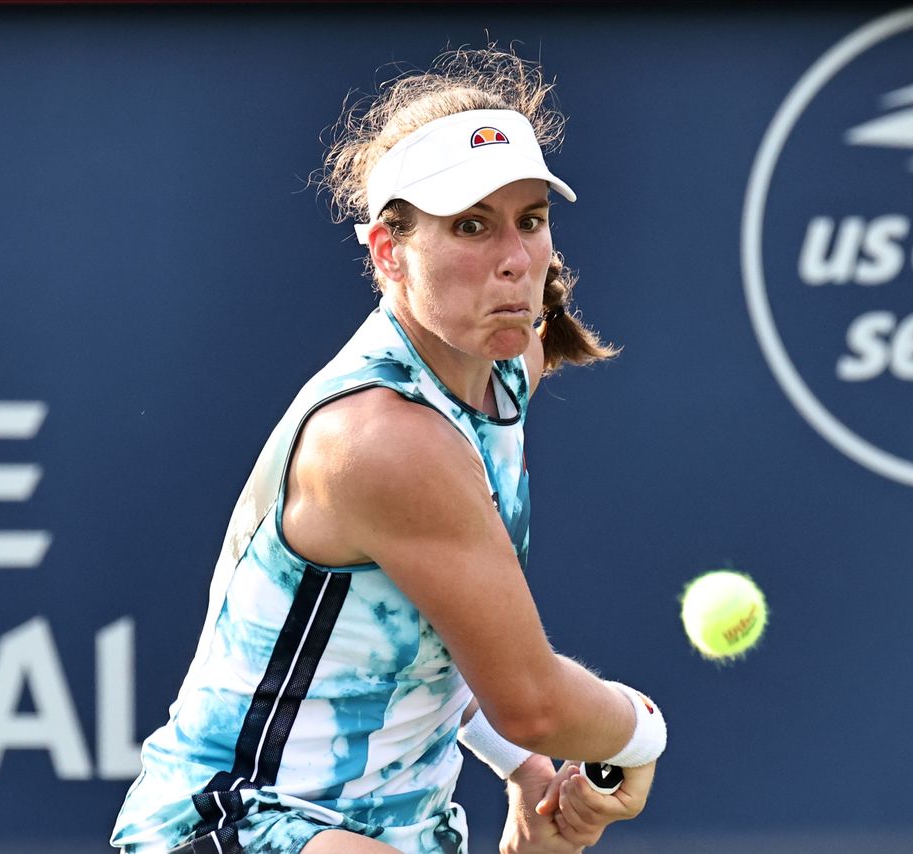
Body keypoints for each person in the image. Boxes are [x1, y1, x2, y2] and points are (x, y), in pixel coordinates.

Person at [111, 47, 665, 854]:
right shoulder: (385, 441)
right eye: (471, 226)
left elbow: (422, 641)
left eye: (530, 219)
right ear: (387, 251)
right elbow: (532, 700)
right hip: (236, 823)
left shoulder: (509, 367)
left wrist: (529, 773)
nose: (515, 258)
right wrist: (639, 732)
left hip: (394, 831)